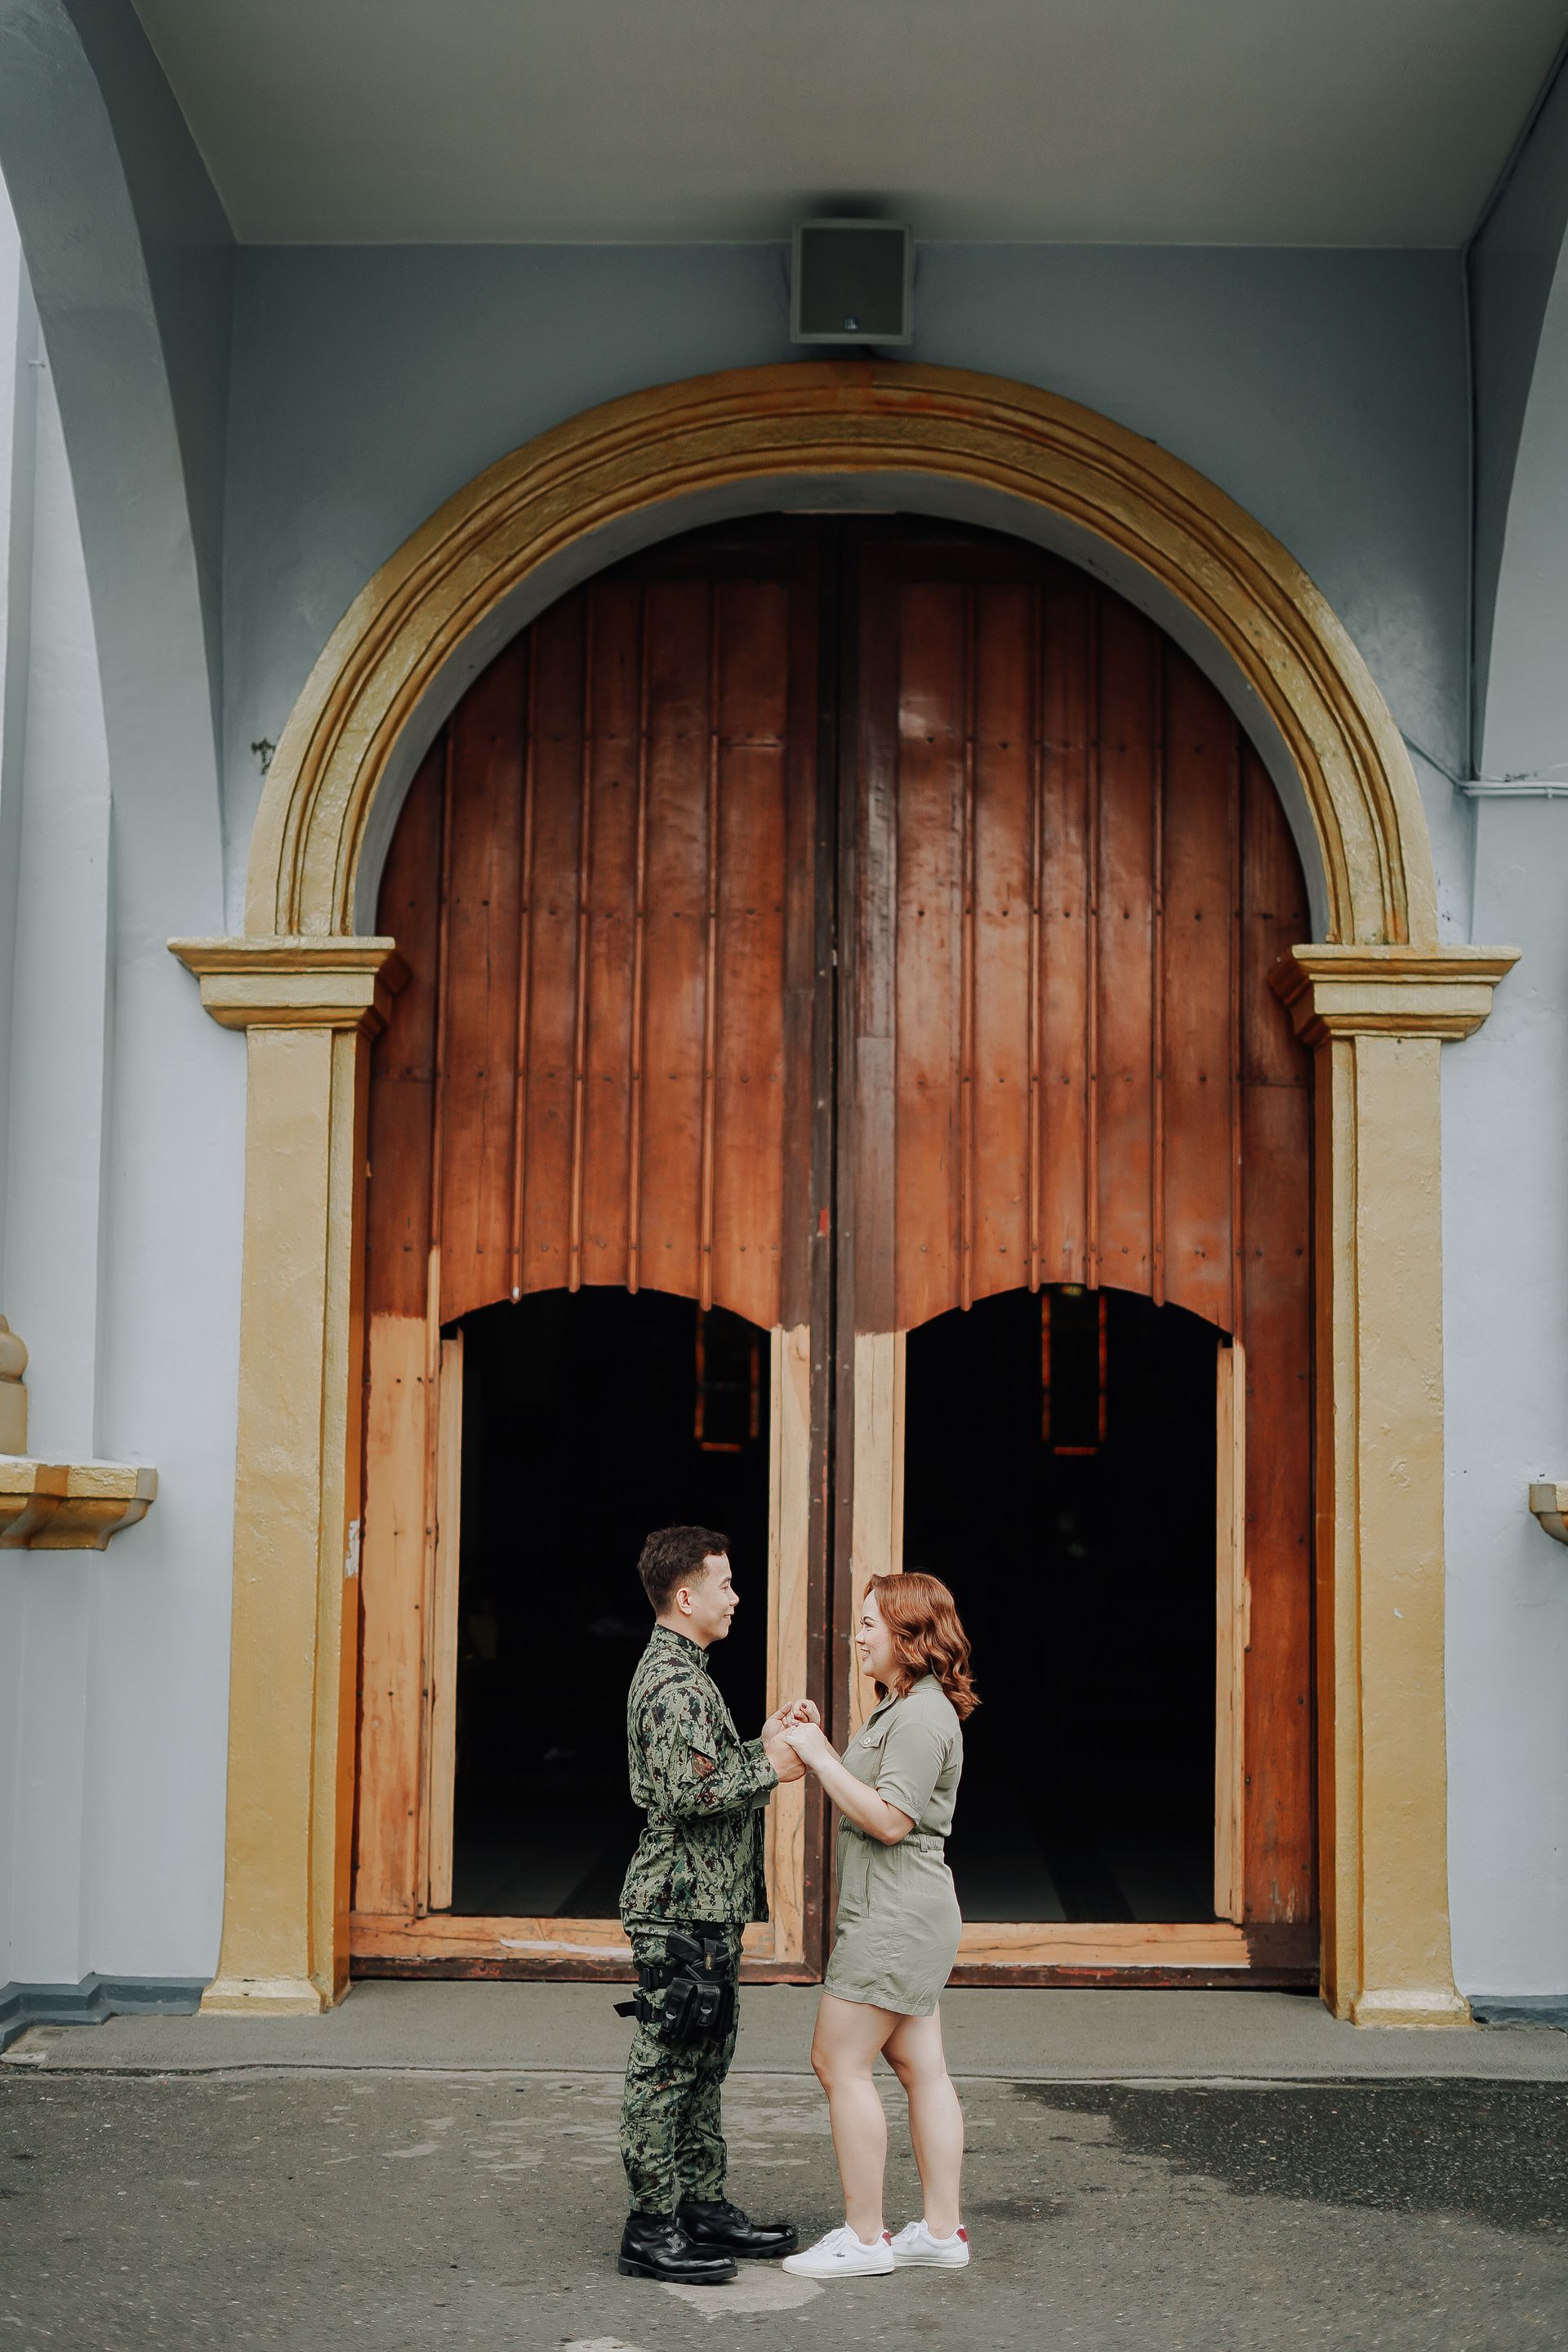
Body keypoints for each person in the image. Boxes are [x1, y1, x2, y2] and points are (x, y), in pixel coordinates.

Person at [615, 1524, 808, 2285]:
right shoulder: (673, 1684)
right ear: (685, 1596)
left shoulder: (688, 1675)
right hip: (678, 1906)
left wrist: (759, 1744)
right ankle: (650, 2227)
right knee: (666, 2066)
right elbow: (685, 1794)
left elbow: (703, 1771)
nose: (735, 1598)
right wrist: (773, 1764)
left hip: (705, 1905)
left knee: (704, 2062)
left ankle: (701, 2207)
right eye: (724, 1585)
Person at [778, 1572, 978, 2282]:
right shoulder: (902, 1706)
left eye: (869, 1624)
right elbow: (875, 1792)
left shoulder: (921, 1717)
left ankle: (865, 2239)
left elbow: (891, 1820)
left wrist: (820, 1756)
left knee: (839, 2062)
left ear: (909, 1635)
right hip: (902, 1912)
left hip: (894, 1918)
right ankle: (940, 2233)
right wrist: (820, 1744)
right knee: (922, 2069)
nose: (857, 1636)